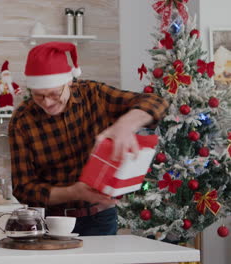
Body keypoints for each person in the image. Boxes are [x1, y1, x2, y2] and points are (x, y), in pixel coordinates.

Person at [9, 42, 169, 236]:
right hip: (51, 221)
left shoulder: (94, 94)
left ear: (68, 81)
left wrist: (125, 125)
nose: (48, 103)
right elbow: (23, 189)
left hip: (100, 218)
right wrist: (74, 192)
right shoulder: (22, 120)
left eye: (53, 94)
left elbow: (156, 102)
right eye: (39, 96)